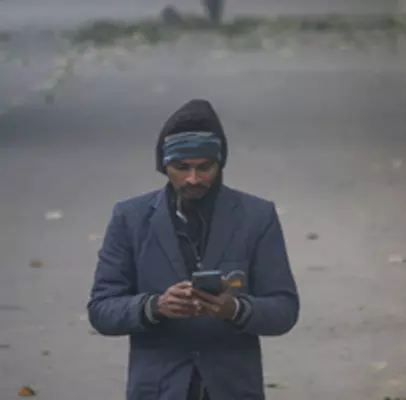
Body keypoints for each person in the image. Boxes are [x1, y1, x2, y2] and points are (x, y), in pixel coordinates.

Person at [87, 99, 300, 399]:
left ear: (220, 163)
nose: (193, 179)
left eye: (204, 167)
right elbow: (101, 310)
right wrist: (155, 306)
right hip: (158, 388)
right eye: (181, 167)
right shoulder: (130, 218)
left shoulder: (257, 216)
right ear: (164, 166)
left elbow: (285, 309)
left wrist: (235, 309)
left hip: (233, 387)